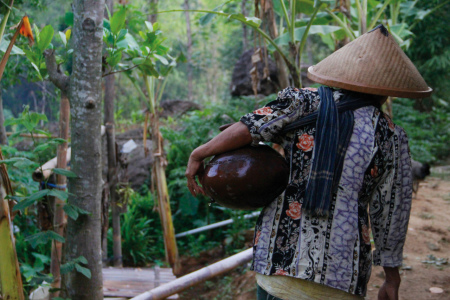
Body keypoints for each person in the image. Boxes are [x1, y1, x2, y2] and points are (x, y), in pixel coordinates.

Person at [186, 25, 431, 300]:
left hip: (278, 266)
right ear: (389, 90)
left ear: (342, 72)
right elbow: (391, 212)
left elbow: (248, 127)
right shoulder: (392, 136)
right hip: (342, 277)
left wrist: (199, 154)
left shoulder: (302, 102)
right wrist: (391, 278)